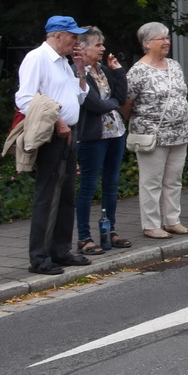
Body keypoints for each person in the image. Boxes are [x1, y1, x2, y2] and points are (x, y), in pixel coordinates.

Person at [15, 16, 91, 275]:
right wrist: (58, 122)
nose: (76, 41)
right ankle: (39, 257)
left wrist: (80, 70)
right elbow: (25, 99)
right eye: (73, 36)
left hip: (69, 132)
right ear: (57, 35)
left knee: (66, 194)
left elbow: (78, 97)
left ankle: (60, 250)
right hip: (52, 133)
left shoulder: (65, 63)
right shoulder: (38, 58)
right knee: (47, 196)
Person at [126, 22, 188, 239]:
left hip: (179, 132)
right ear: (147, 43)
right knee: (151, 182)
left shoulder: (174, 65)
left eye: (167, 38)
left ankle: (172, 221)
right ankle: (151, 224)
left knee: (174, 179)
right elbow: (127, 103)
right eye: (161, 39)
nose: (167, 42)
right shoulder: (137, 71)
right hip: (152, 135)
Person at [72, 27, 130, 254]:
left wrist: (118, 72)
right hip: (92, 136)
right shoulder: (77, 72)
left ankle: (109, 231)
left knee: (111, 185)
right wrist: (114, 103)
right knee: (88, 186)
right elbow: (93, 104)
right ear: (84, 48)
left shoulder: (103, 69)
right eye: (98, 45)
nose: (103, 48)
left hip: (115, 133)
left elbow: (122, 96)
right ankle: (84, 237)